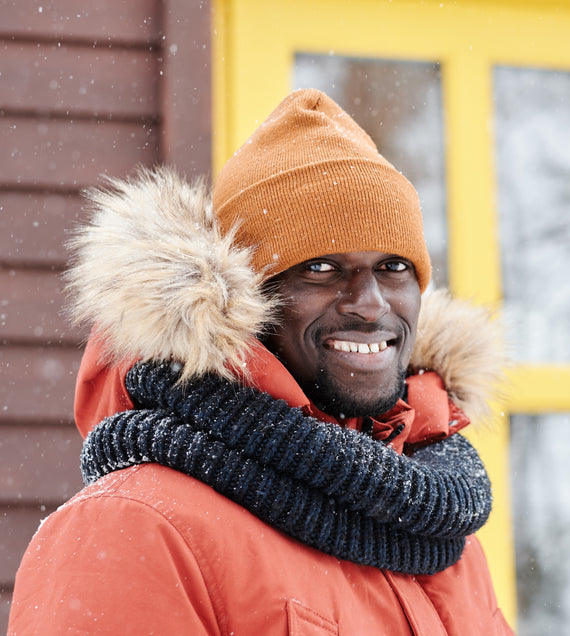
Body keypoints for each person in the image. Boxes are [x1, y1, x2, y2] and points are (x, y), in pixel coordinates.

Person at [8, 89, 512, 635]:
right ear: (242, 299)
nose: (370, 303)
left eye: (393, 267)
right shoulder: (133, 526)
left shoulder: (441, 539)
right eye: (320, 267)